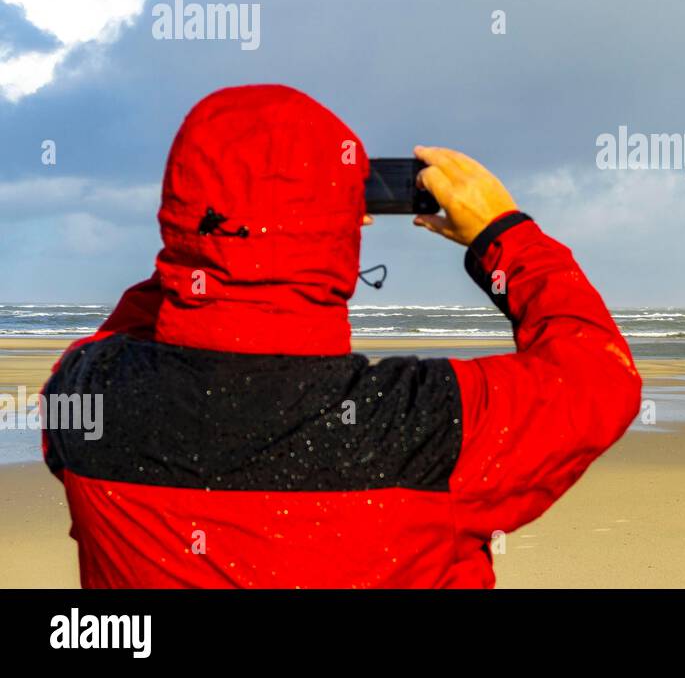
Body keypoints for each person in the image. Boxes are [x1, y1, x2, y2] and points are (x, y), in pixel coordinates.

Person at [41, 84, 641, 588]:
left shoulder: (87, 399)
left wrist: (205, 240)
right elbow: (599, 376)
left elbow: (133, 325)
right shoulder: (426, 423)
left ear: (175, 210)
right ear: (350, 223)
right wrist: (504, 233)